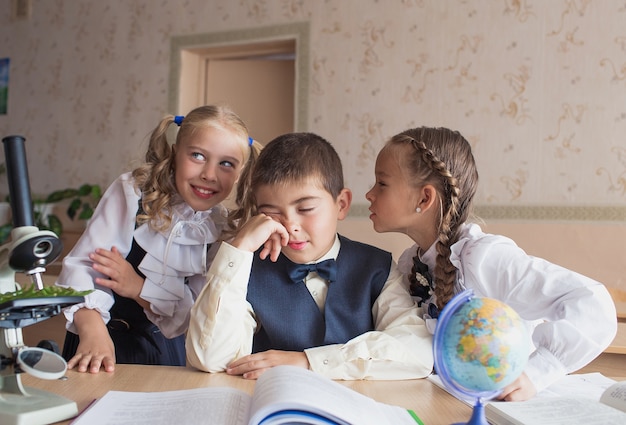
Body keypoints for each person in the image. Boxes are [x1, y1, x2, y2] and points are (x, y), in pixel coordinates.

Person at [365, 126, 618, 400]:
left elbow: (593, 303)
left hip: (506, 407)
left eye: (382, 183)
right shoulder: (409, 263)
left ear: (424, 198)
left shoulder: (482, 258)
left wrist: (538, 372)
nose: (369, 194)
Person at [186, 132, 433, 380]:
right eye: (272, 212)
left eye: (305, 209)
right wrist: (238, 249)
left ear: (341, 204)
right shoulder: (246, 270)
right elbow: (210, 358)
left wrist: (308, 362)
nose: (291, 225)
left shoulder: (377, 268)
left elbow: (417, 352)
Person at [56, 105, 259, 373]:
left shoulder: (220, 231)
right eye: (197, 156)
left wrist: (138, 288)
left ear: (240, 173)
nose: (209, 174)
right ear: (176, 153)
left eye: (226, 164)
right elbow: (86, 267)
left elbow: (192, 315)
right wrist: (93, 332)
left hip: (165, 354)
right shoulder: (132, 193)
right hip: (96, 340)